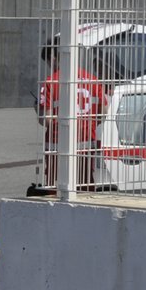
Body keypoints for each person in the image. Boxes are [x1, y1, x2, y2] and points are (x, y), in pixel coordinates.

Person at [37, 45, 106, 188]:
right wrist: (90, 124)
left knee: (54, 183)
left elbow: (46, 120)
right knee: (85, 181)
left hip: (58, 142)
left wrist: (38, 109)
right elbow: (103, 112)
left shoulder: (51, 82)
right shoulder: (93, 80)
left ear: (54, 58)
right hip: (86, 141)